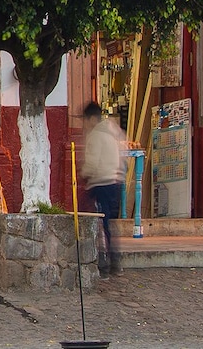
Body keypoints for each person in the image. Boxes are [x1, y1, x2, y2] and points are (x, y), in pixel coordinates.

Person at [81, 101, 126, 276]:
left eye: (85, 120)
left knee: (99, 223)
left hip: (100, 182)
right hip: (115, 181)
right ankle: (115, 261)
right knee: (110, 224)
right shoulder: (115, 131)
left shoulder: (95, 136)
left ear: (92, 118)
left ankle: (104, 263)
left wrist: (84, 174)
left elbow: (92, 163)